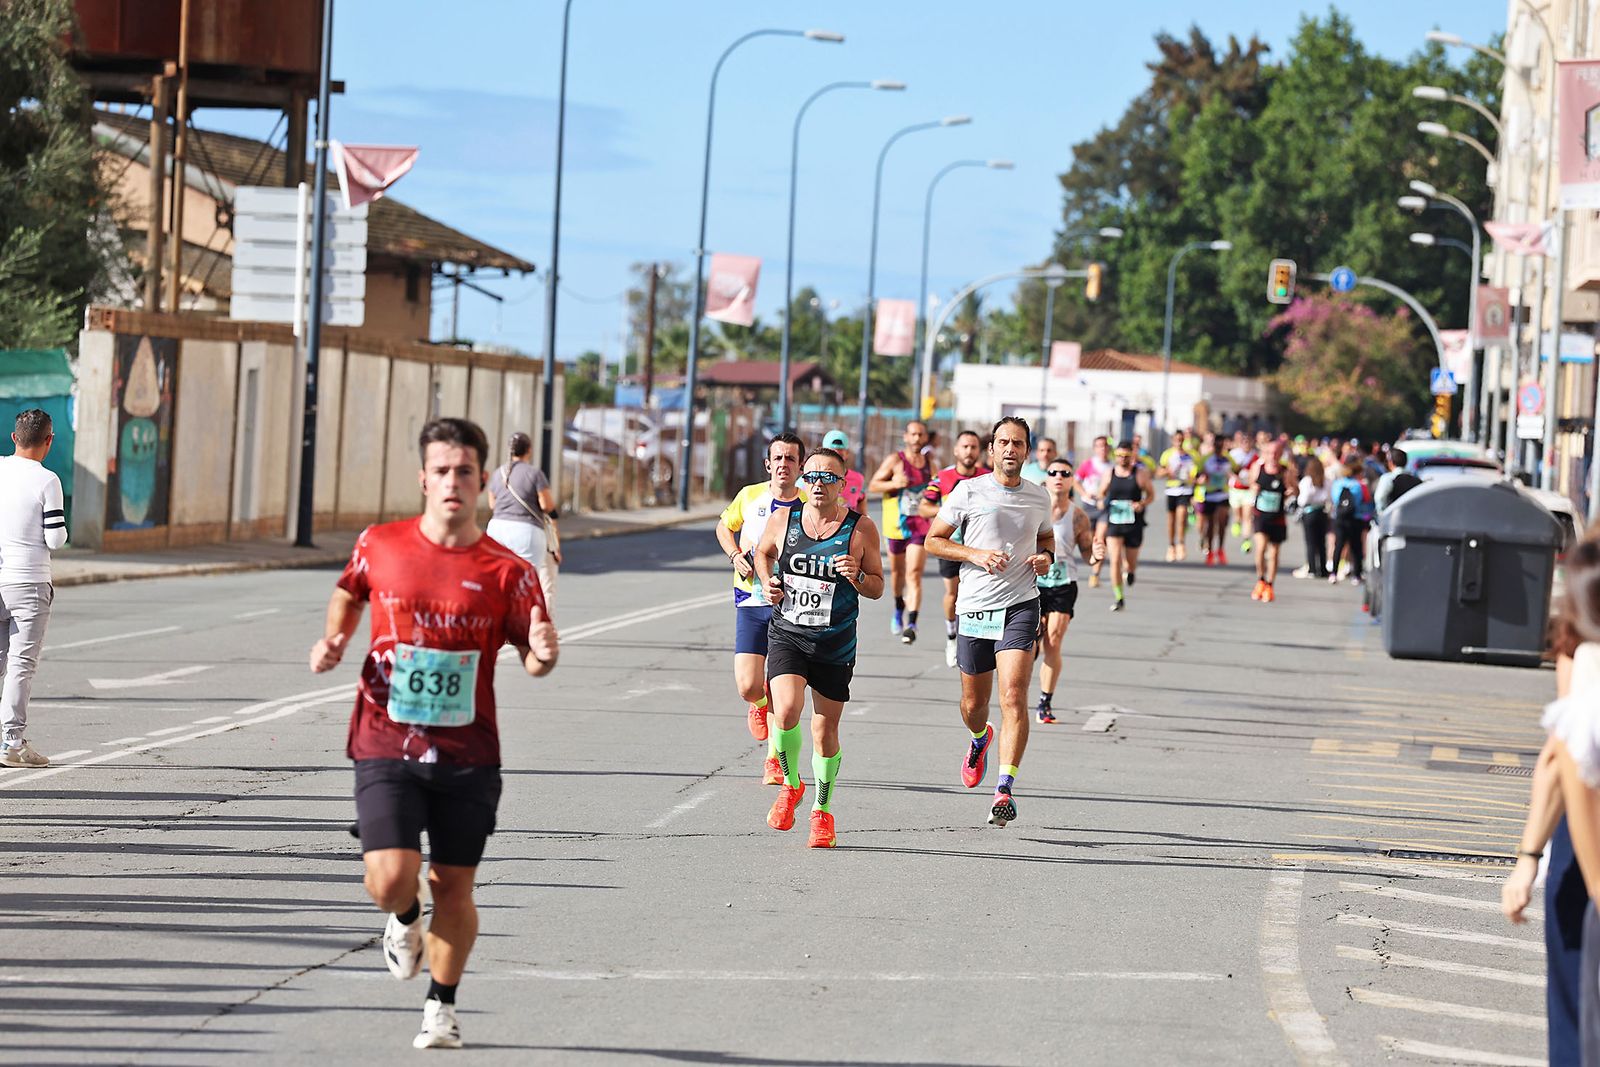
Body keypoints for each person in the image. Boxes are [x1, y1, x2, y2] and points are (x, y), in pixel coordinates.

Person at [309, 417, 559, 1050]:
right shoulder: (381, 543)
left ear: (482, 482)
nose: (453, 481)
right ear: (424, 478)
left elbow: (532, 657)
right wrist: (336, 636)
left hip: (468, 750)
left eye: (464, 472)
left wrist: (543, 652)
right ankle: (402, 916)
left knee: (454, 885)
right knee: (392, 878)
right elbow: (348, 592)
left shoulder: (507, 570)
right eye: (441, 470)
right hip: (384, 737)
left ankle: (441, 1007)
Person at [752, 447, 885, 848]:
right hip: (789, 633)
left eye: (829, 477)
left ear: (843, 485)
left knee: (825, 731)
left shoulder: (861, 529)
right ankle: (791, 786)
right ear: (802, 481)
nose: (818, 484)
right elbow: (762, 553)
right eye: (811, 477)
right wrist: (767, 581)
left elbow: (877, 586)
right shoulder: (784, 519)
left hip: (835, 643)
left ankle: (822, 810)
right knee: (787, 710)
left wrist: (858, 575)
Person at [927, 416, 1053, 828]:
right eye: (1003, 443)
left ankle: (1004, 788)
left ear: (1027, 451)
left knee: (1014, 697)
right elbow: (933, 540)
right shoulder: (969, 491)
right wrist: (974, 554)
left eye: (1018, 444)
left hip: (1021, 604)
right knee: (973, 705)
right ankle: (980, 738)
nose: (1010, 450)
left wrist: (1046, 558)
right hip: (977, 607)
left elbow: (1047, 538)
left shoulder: (1038, 497)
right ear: (992, 449)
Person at [1504, 541, 1598, 1065]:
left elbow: (1559, 759)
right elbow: (1560, 757)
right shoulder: (1585, 650)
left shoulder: (1581, 637)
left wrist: (1526, 862)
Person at [1533, 539, 1600, 1063]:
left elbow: (1564, 764)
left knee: (1578, 1008)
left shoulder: (1586, 660)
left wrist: (1527, 858)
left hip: (1585, 852)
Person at [715, 433, 806, 785]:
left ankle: (773, 759)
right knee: (749, 686)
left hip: (791, 606)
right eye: (778, 459)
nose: (783, 465)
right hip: (751, 600)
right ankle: (758, 704)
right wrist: (736, 555)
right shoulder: (750, 495)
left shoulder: (807, 505)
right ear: (768, 464)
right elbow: (724, 527)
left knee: (781, 683)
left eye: (790, 459)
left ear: (800, 466)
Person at [0, 409, 67, 769]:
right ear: (49, 440)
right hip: (28, 582)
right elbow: (55, 539)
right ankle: (11, 743)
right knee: (20, 665)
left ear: (14, 438)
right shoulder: (47, 480)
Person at [1034, 457, 1102, 724]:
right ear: (1046, 478)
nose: (1059, 476)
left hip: (1063, 584)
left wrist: (1096, 556)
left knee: (1053, 641)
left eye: (1065, 473)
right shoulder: (1033, 510)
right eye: (1054, 472)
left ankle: (1044, 703)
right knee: (1031, 642)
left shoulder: (1079, 516)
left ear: (1073, 480)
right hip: (1033, 584)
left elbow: (1087, 554)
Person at [920, 430, 991, 669]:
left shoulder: (987, 477)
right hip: (950, 544)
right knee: (953, 593)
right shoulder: (942, 477)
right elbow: (924, 507)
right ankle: (952, 636)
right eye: (965, 447)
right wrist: (950, 511)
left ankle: (975, 638)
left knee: (979, 593)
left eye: (973, 447)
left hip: (979, 546)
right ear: (956, 450)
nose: (969, 451)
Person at [868, 420, 935, 644]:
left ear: (925, 438)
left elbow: (938, 487)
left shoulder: (930, 463)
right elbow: (874, 485)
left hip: (920, 525)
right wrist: (894, 483)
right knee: (898, 574)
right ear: (905, 437)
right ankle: (898, 607)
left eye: (921, 434)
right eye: (913, 434)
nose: (917, 438)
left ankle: (912, 623)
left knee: (914, 573)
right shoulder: (895, 460)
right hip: (896, 525)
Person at [485, 431, 561, 615]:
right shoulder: (534, 473)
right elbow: (546, 504)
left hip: (496, 530)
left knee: (499, 580)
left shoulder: (498, 473)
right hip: (525, 531)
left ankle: (497, 623)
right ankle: (524, 627)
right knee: (526, 582)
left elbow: (492, 504)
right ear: (529, 450)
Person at [1093, 440, 1155, 612]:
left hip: (1134, 522)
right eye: (1119, 455)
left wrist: (1141, 504)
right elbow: (1101, 492)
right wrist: (1100, 501)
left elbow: (1151, 495)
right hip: (1115, 521)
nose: (1122, 459)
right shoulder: (1109, 473)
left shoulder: (1140, 473)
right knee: (1115, 560)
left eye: (1126, 456)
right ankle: (1119, 596)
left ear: (1132, 456)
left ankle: (1131, 571)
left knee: (1130, 561)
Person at [1248, 440, 1295, 603]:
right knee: (1260, 548)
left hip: (1278, 517)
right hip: (1260, 515)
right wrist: (1254, 487)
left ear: (1281, 454)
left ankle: (1270, 585)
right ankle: (1260, 580)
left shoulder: (1285, 471)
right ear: (1265, 454)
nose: (1273, 456)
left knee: (1274, 553)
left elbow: (1295, 488)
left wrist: (1291, 491)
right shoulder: (1258, 468)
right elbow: (1251, 483)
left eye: (1276, 453)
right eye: (1269, 453)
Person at [1157, 429, 1200, 562]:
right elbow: (1159, 473)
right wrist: (1167, 472)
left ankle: (1181, 544)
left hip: (1185, 489)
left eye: (1181, 440)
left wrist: (1194, 479)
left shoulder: (1191, 455)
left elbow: (1197, 474)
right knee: (1171, 520)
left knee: (1182, 517)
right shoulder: (1167, 454)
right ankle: (1171, 546)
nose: (1179, 442)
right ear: (1173, 441)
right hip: (1172, 489)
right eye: (1176, 440)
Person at [1075, 436, 1113, 587]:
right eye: (1099, 446)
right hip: (1088, 507)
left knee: (1100, 539)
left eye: (1105, 446)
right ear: (1095, 448)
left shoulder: (1112, 467)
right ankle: (1092, 561)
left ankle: (1095, 574)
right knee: (1089, 540)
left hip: (1104, 507)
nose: (1103, 449)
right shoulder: (1088, 464)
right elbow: (1075, 480)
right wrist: (1084, 493)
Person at [1329, 461, 1372, 585]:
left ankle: (1333, 573)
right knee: (1356, 547)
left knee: (1339, 546)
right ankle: (1356, 575)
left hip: (1340, 518)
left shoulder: (1337, 484)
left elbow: (1335, 499)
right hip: (1355, 518)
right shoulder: (1358, 486)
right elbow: (1364, 500)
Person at [1197, 436, 1234, 566]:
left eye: (1221, 446)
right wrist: (1201, 478)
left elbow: (1237, 471)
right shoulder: (1206, 459)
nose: (1219, 448)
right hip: (1210, 494)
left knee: (1222, 522)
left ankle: (1220, 550)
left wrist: (1234, 476)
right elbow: (1197, 474)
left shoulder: (1228, 459)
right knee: (1211, 524)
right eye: (1216, 446)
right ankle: (1210, 551)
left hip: (1223, 494)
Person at [1295, 456, 1331, 580]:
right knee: (1321, 542)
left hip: (1309, 512)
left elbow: (1302, 500)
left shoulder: (1307, 481)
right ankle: (1323, 568)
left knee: (1310, 542)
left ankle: (1312, 568)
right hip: (1322, 512)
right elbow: (1328, 497)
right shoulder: (1325, 481)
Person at [823, 430, 866, 512]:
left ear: (847, 454)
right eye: (832, 454)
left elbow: (862, 512)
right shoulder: (810, 480)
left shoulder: (858, 479)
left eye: (840, 455)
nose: (836, 460)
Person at [1373, 446, 1422, 515]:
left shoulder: (1388, 478)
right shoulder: (1417, 480)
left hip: (1393, 518)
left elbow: (1380, 498)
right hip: (1412, 518)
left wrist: (1382, 515)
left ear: (1390, 462)